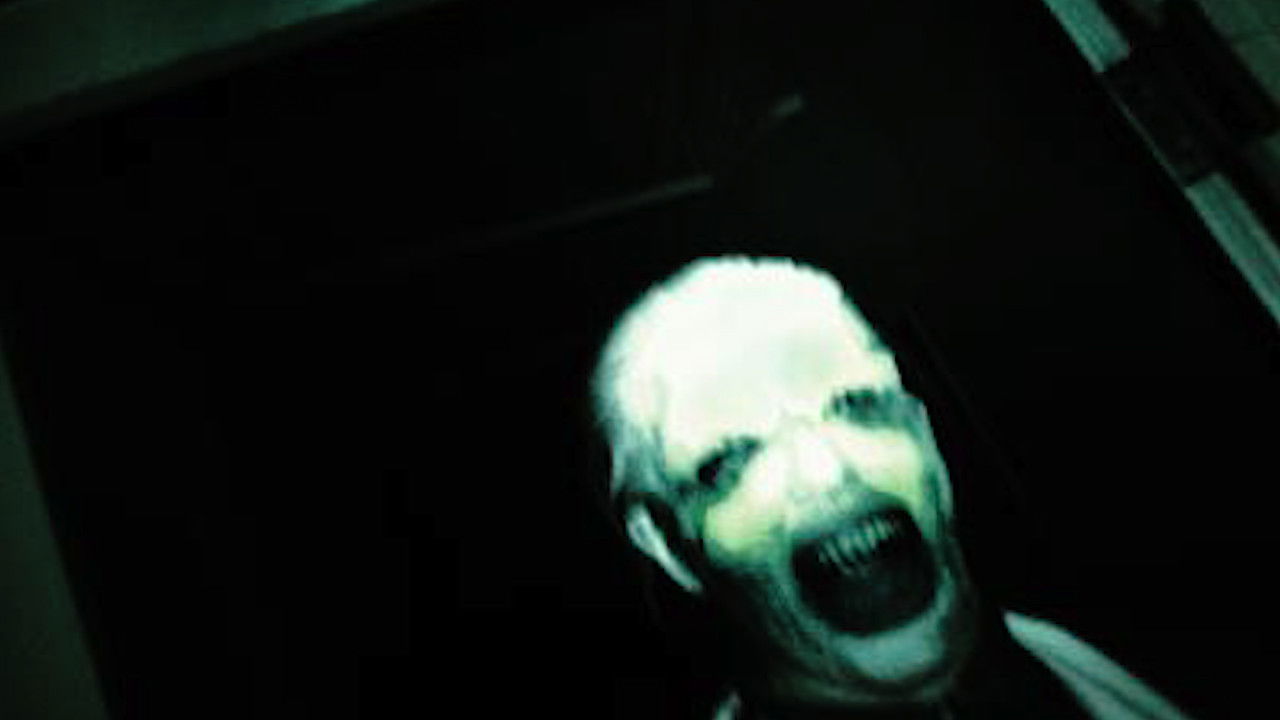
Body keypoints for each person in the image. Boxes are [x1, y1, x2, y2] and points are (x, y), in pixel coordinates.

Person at [589, 256, 1194, 720]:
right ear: (665, 543)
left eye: (856, 402)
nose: (826, 470)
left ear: (925, 438)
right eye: (729, 458)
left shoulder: (1131, 644)